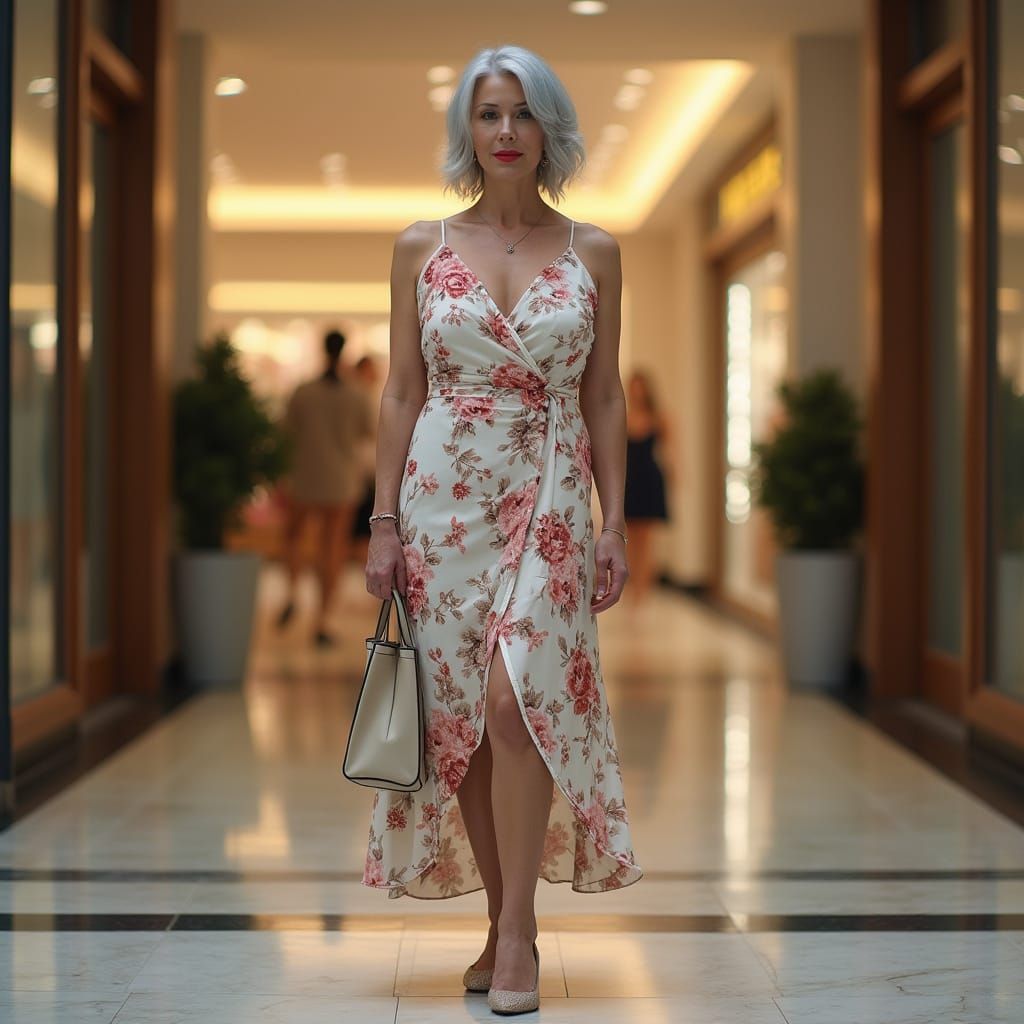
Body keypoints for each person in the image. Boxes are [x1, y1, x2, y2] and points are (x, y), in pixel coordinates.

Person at [361, 45, 642, 1015]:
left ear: (548, 127)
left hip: (554, 494)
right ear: (466, 132)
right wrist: (383, 518)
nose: (506, 132)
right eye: (488, 115)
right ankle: (499, 918)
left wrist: (616, 522)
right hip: (442, 499)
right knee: (466, 725)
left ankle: (518, 931)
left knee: (517, 699)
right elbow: (401, 390)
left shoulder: (594, 250)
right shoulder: (419, 245)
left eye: (522, 114)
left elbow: (604, 395)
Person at [277, 329, 371, 645]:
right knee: (333, 548)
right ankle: (322, 620)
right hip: (341, 481)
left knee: (293, 536)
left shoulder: (303, 393)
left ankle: (291, 592)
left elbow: (285, 431)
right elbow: (366, 433)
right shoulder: (355, 395)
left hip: (304, 476)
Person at [624, 369, 674, 601]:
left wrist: (674, 479)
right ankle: (633, 586)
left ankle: (643, 589)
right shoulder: (623, 417)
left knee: (647, 539)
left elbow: (669, 452)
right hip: (629, 480)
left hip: (650, 480)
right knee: (630, 537)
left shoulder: (659, 419)